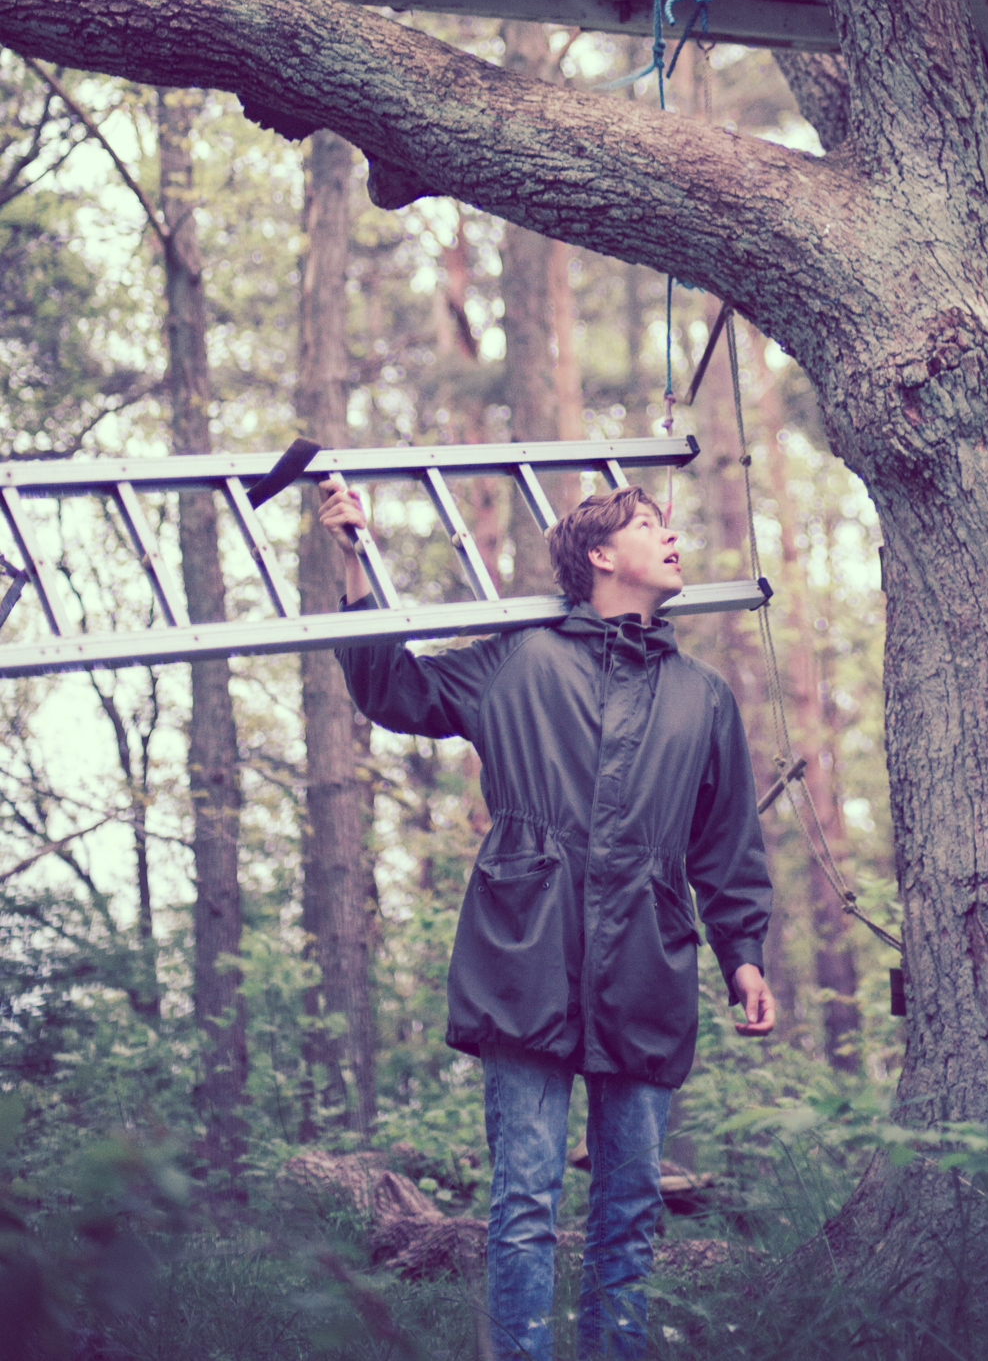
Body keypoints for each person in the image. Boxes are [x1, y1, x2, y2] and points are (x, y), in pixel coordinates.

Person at [318, 479, 775, 1361]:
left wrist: (743, 955)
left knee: (631, 1206)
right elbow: (393, 688)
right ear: (601, 555)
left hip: (647, 963)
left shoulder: (703, 695)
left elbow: (726, 841)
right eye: (650, 525)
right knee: (525, 1198)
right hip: (524, 951)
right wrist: (354, 559)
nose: (673, 535)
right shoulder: (517, 657)